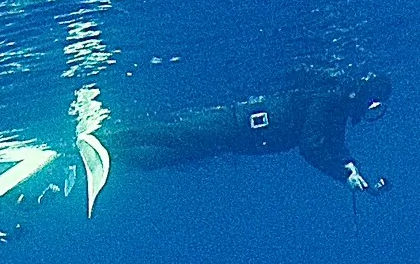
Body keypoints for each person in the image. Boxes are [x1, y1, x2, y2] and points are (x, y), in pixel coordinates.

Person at [106, 71, 390, 189]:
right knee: (176, 135)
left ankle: (113, 158)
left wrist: (350, 167)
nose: (369, 114)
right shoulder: (329, 98)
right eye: (373, 107)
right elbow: (311, 146)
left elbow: (334, 141)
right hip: (236, 125)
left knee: (173, 154)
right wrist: (342, 173)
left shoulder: (337, 107)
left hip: (239, 139)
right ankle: (107, 140)